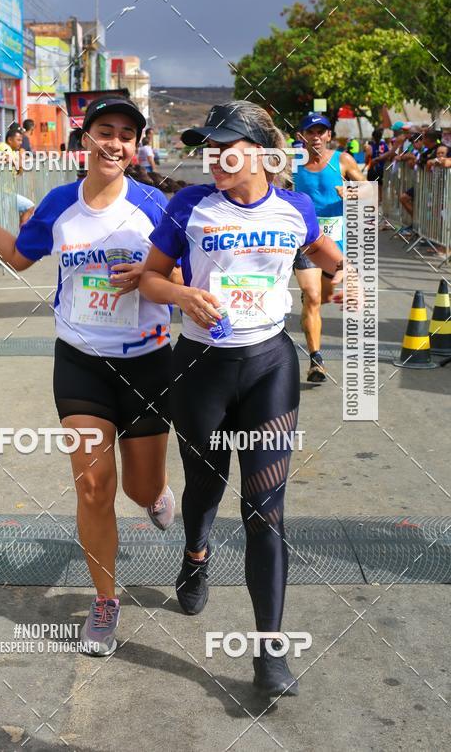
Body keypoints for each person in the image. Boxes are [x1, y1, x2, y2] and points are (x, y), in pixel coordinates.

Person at [139, 101, 353, 698]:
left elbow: (332, 259)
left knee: (265, 512)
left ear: (260, 150)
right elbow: (153, 278)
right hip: (201, 367)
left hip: (268, 367)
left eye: (224, 145)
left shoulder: (295, 208)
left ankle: (269, 653)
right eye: (206, 147)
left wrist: (339, 284)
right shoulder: (189, 206)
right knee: (205, 486)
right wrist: (181, 296)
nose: (214, 157)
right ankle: (196, 552)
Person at [0, 95, 178, 657]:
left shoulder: (154, 205)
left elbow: (182, 273)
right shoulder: (59, 203)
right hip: (80, 361)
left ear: (135, 147)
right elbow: (18, 257)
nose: (115, 142)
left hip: (147, 362)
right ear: (86, 139)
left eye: (127, 134)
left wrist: (153, 279)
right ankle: (105, 601)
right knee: (91, 485)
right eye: (106, 130)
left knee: (137, 487)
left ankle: (155, 495)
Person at [292, 114, 365, 383]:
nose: (316, 137)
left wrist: (352, 193)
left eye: (321, 132)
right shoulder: (293, 162)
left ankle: (312, 306)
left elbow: (372, 192)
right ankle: (316, 360)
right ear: (302, 136)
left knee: (322, 297)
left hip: (336, 246)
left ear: (329, 136)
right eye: (310, 132)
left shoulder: (343, 160)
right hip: (307, 242)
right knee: (312, 297)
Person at [0, 126, 35, 225]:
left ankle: (21, 234)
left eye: (21, 140)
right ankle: (22, 235)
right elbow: (13, 162)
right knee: (3, 222)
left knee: (29, 207)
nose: (20, 143)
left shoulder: (13, 151)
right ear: (9, 140)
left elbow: (19, 169)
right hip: (1, 193)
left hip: (7, 193)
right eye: (18, 140)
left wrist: (18, 164)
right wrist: (18, 163)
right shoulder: (4, 147)